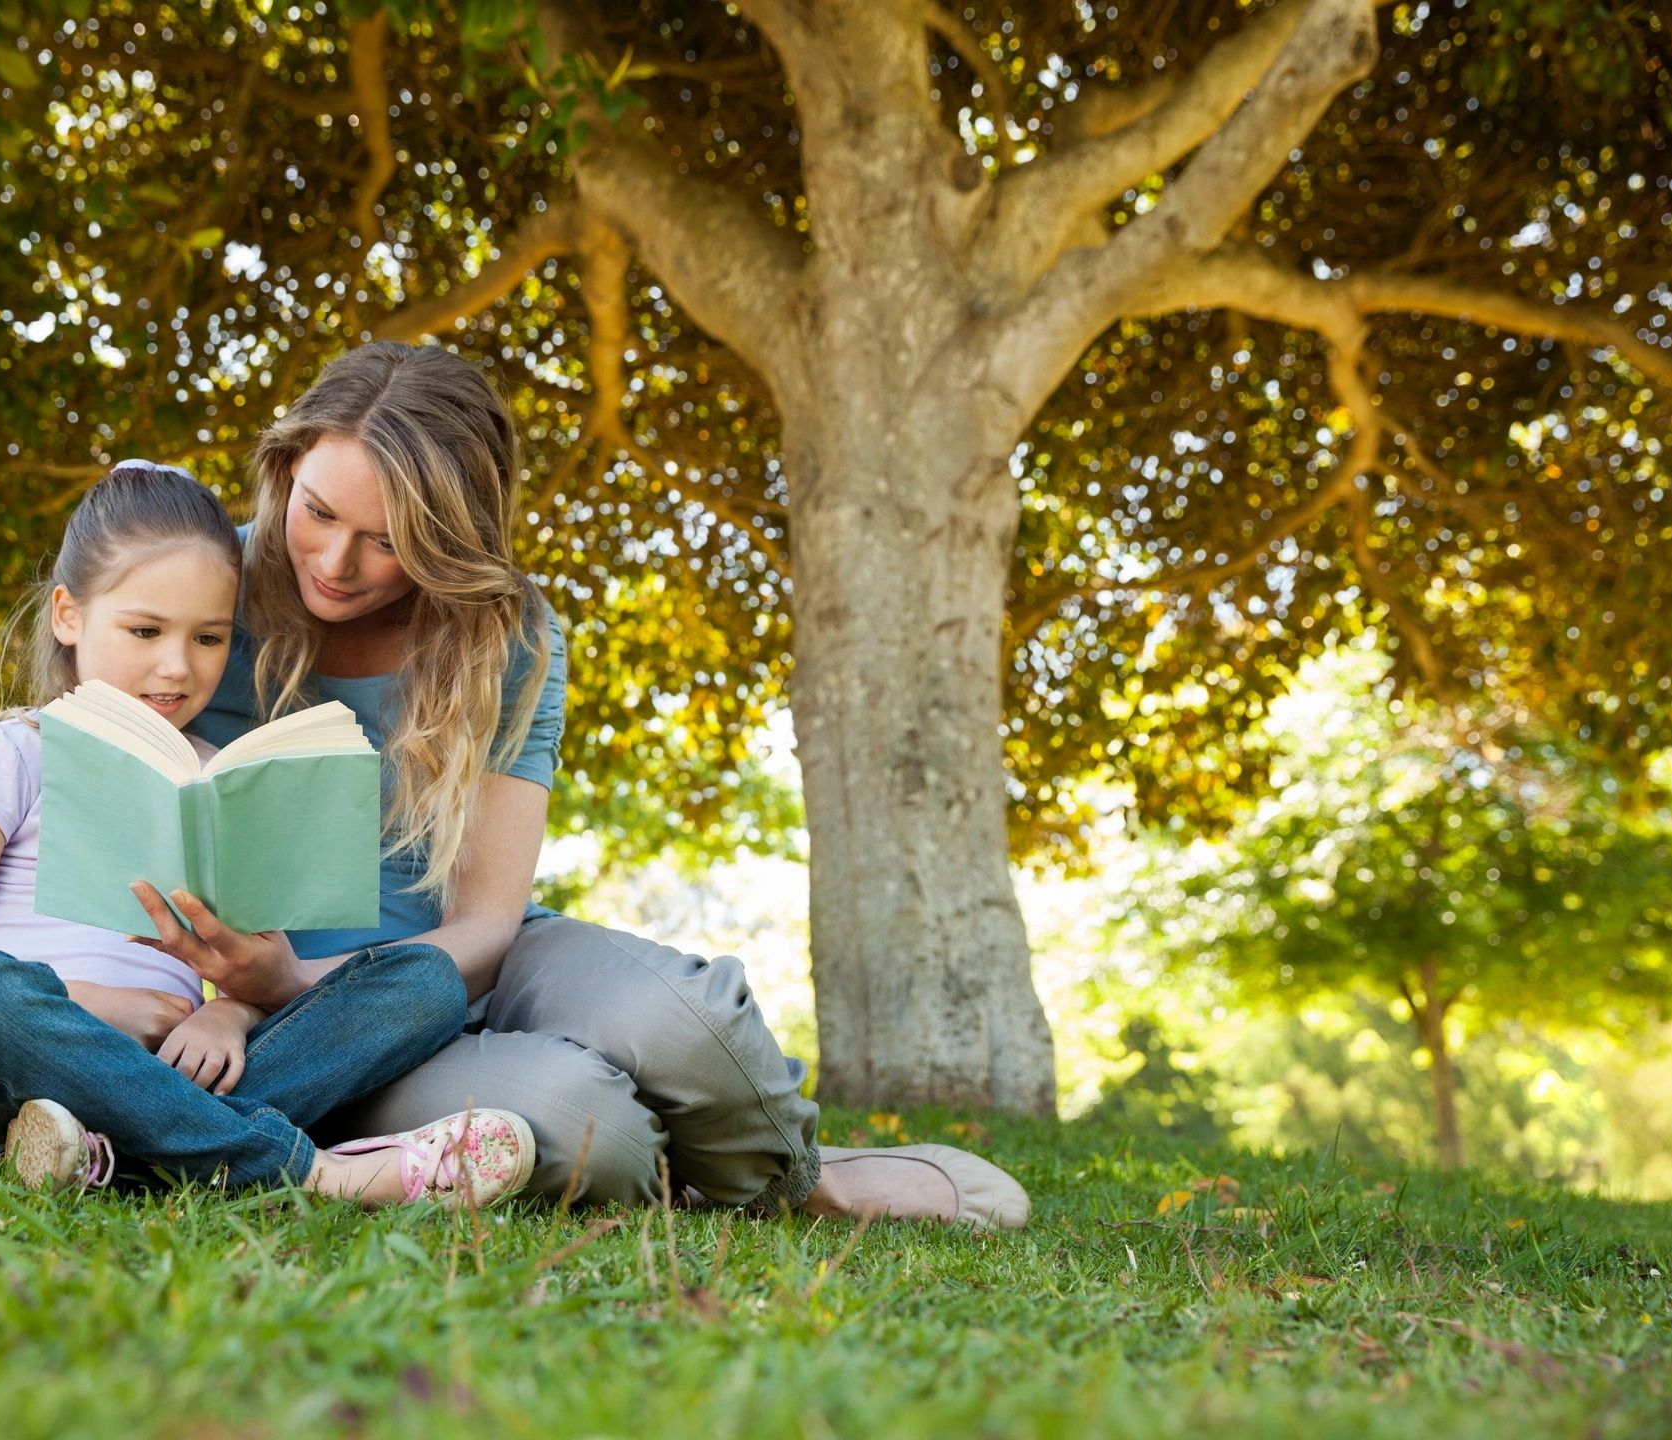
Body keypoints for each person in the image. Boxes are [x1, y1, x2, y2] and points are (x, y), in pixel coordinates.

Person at [141, 343, 1029, 1230]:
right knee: (587, 1127)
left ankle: (798, 1183)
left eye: (388, 541)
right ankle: (637, 1158)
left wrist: (306, 975)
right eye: (318, 512)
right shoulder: (200, 594)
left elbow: (487, 923)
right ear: (286, 469)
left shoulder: (506, 632)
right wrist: (270, 994)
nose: (336, 563)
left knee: (689, 1022)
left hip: (468, 965)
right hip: (307, 1036)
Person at [0, 461, 534, 1208]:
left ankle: (106, 1154)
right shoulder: (11, 754)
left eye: (210, 638)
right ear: (68, 615)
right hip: (6, 1078)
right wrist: (100, 1008)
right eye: (145, 630)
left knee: (421, 982)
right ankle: (313, 1172)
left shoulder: (218, 779)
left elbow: (256, 965)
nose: (177, 666)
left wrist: (229, 1012)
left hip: (173, 1070)